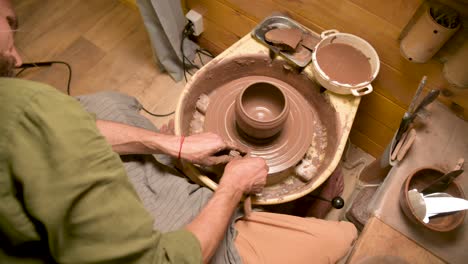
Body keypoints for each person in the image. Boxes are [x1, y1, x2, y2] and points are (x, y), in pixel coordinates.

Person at [0, 1, 357, 263]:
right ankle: (298, 216)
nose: (17, 56)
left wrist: (172, 144)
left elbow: (75, 131)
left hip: (42, 216)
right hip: (152, 251)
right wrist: (231, 188)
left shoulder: (24, 106)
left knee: (103, 105)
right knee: (341, 236)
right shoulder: (31, 109)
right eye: (8, 22)